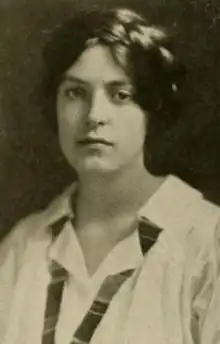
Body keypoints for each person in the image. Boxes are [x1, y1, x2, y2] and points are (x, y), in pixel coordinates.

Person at [0, 7, 219, 344]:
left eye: (121, 95)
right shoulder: (22, 248)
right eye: (75, 93)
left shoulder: (205, 241)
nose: (94, 116)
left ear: (151, 109)